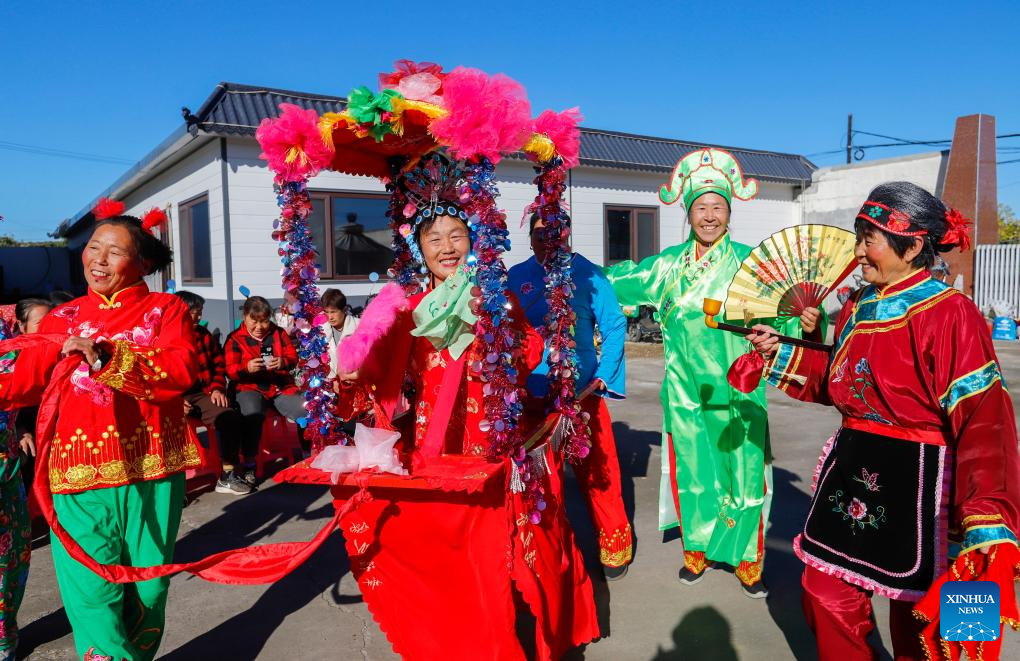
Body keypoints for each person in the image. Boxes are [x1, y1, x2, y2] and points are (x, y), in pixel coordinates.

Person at [748, 182, 1020, 660]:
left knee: (938, 625)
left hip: (932, 485)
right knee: (823, 590)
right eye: (858, 237)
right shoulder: (855, 308)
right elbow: (842, 381)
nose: (858, 253)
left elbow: (985, 420)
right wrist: (782, 351)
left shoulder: (951, 313)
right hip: (855, 474)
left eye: (868, 240)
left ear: (913, 245)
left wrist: (986, 512)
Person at [604, 148, 816, 598]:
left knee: (744, 471)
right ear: (688, 212)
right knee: (694, 471)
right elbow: (617, 284)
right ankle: (696, 549)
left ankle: (747, 558)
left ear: (729, 212)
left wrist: (801, 321)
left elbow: (784, 314)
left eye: (718, 206)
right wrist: (573, 277)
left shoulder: (750, 263)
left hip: (739, 388)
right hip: (685, 391)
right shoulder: (667, 266)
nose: (709, 215)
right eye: (701, 207)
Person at [0, 198, 199, 660]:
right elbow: (20, 376)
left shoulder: (166, 310)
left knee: (147, 594)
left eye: (114, 251)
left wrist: (110, 356)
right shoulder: (61, 319)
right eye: (93, 248)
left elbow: (181, 368)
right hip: (74, 476)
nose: (98, 259)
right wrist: (56, 352)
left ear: (142, 262)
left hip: (150, 472)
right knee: (93, 592)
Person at [508, 213, 632, 579]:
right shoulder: (516, 277)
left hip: (582, 395)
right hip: (533, 397)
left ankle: (614, 548)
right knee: (540, 483)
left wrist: (604, 378)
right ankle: (549, 554)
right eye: (539, 232)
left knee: (600, 474)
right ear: (529, 237)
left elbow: (613, 325)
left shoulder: (591, 274)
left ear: (567, 234)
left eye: (555, 231)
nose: (547, 239)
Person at [174, 291, 250, 496]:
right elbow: (158, 377)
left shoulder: (203, 335)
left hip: (201, 393)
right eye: (194, 313)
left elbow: (218, 365)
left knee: (228, 417)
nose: (199, 317)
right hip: (174, 397)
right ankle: (173, 486)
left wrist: (217, 388)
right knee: (167, 427)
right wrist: (174, 401)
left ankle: (227, 474)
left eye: (200, 312)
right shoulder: (165, 338)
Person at [224, 295, 306, 482]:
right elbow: (229, 371)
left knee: (306, 407)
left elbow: (293, 359)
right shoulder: (235, 339)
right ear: (245, 316)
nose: (260, 327)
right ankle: (249, 464)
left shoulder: (278, 333)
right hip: (249, 387)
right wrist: (247, 368)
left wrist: (283, 362)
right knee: (251, 414)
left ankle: (308, 453)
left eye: (264, 321)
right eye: (255, 321)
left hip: (279, 387)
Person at [0, 316, 30, 661]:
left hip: (5, 464)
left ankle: (4, 636)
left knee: (10, 557)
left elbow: (19, 386)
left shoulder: (4, 330)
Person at [12, 298, 53, 490]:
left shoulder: (60, 351)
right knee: (27, 458)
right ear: (22, 326)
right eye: (40, 323)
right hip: (25, 427)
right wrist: (19, 429)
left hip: (55, 426)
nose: (48, 328)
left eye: (51, 321)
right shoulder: (11, 359)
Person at [319, 288, 359, 380]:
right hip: (330, 384)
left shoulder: (359, 327)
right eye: (326, 312)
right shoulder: (321, 330)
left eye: (333, 312)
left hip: (354, 383)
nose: (330, 317)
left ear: (344, 310)